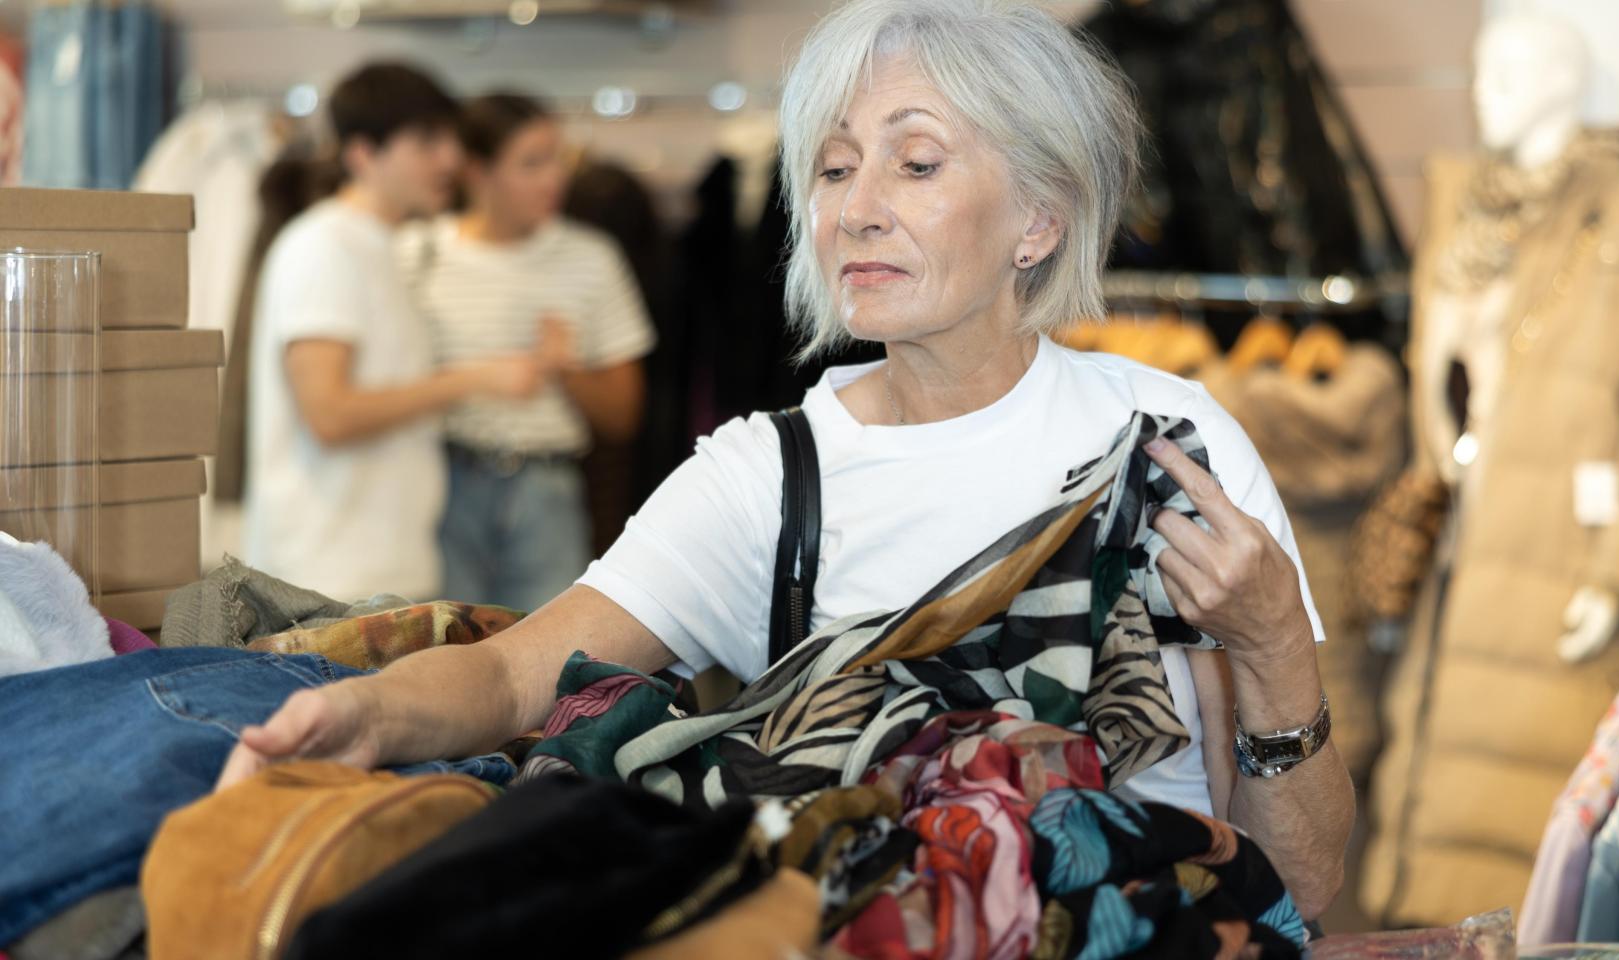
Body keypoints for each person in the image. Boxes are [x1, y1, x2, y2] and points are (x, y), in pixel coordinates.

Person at [222, 0, 1355, 918]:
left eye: (913, 165)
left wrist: (1269, 652)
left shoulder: (1167, 445)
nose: (856, 210)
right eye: (831, 168)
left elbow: (1302, 891)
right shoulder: (771, 476)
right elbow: (521, 672)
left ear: (1039, 221)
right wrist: (363, 716)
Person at [243, 64, 545, 601]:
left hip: (378, 574)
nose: (450, 158)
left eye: (450, 139)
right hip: (326, 580)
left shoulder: (381, 247)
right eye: (426, 142)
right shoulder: (324, 246)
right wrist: (471, 380)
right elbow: (329, 413)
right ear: (363, 153)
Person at [401, 93, 655, 612]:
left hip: (548, 488)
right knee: (443, 657)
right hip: (438, 481)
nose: (554, 178)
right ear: (477, 170)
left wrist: (567, 370)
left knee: (547, 664)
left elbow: (625, 416)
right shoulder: (416, 253)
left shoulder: (591, 257)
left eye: (557, 158)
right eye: (531, 163)